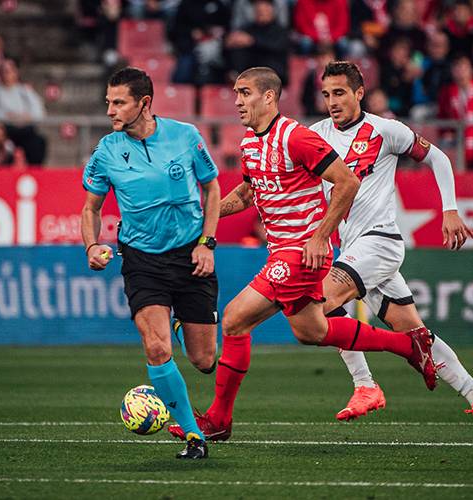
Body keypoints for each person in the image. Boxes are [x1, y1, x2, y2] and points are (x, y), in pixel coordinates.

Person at [167, 66, 437, 442]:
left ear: (268, 97)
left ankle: (218, 420)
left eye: (245, 93)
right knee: (312, 330)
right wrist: (204, 215)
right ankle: (410, 344)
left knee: (233, 321)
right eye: (236, 94)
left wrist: (320, 237)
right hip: (283, 251)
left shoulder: (296, 137)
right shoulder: (249, 143)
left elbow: (348, 181)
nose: (238, 101)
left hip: (300, 253)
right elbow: (248, 194)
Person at [310, 60, 473, 440]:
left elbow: (438, 157)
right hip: (354, 248)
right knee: (416, 335)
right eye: (327, 94)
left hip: (379, 243)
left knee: (320, 303)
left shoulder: (385, 130)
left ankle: (365, 384)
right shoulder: (316, 134)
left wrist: (449, 209)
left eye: (340, 93)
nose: (332, 101)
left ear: (359, 93)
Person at [80, 67, 222, 459]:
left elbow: (212, 189)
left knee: (204, 360)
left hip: (191, 256)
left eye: (118, 102)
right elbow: (90, 209)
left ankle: (180, 322)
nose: (110, 109)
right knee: (157, 348)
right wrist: (92, 245)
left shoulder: (186, 137)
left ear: (144, 103)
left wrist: (207, 243)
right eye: (108, 101)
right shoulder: (106, 150)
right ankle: (194, 437)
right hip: (141, 260)